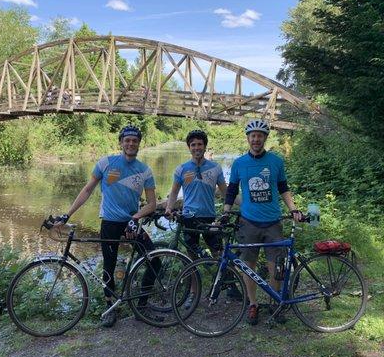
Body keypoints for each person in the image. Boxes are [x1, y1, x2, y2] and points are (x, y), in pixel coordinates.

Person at [56, 125, 157, 327]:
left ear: (139, 144)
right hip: (110, 223)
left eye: (134, 141)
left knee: (155, 260)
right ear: (121, 143)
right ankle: (110, 307)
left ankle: (142, 304)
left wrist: (135, 217)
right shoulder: (105, 163)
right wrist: (66, 215)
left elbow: (152, 203)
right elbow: (87, 190)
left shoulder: (145, 170)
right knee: (109, 266)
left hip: (131, 223)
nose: (130, 144)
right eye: (127, 140)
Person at [222, 119, 302, 326]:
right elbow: (231, 191)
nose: (256, 139)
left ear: (265, 138)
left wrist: (293, 208)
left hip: (273, 221)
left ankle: (275, 302)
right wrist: (225, 212)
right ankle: (253, 304)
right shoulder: (239, 163)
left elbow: (283, 187)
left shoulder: (276, 161)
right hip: (249, 222)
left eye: (260, 136)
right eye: (252, 136)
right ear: (248, 138)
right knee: (248, 265)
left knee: (275, 266)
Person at [165, 130, 227, 307]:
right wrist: (169, 208)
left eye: (200, 144)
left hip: (209, 217)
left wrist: (244, 205)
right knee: (191, 258)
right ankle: (193, 293)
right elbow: (174, 192)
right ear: (189, 148)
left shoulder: (215, 168)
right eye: (193, 145)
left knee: (218, 253)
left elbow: (225, 193)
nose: (197, 147)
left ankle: (227, 284)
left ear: (205, 146)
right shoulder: (182, 169)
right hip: (189, 218)